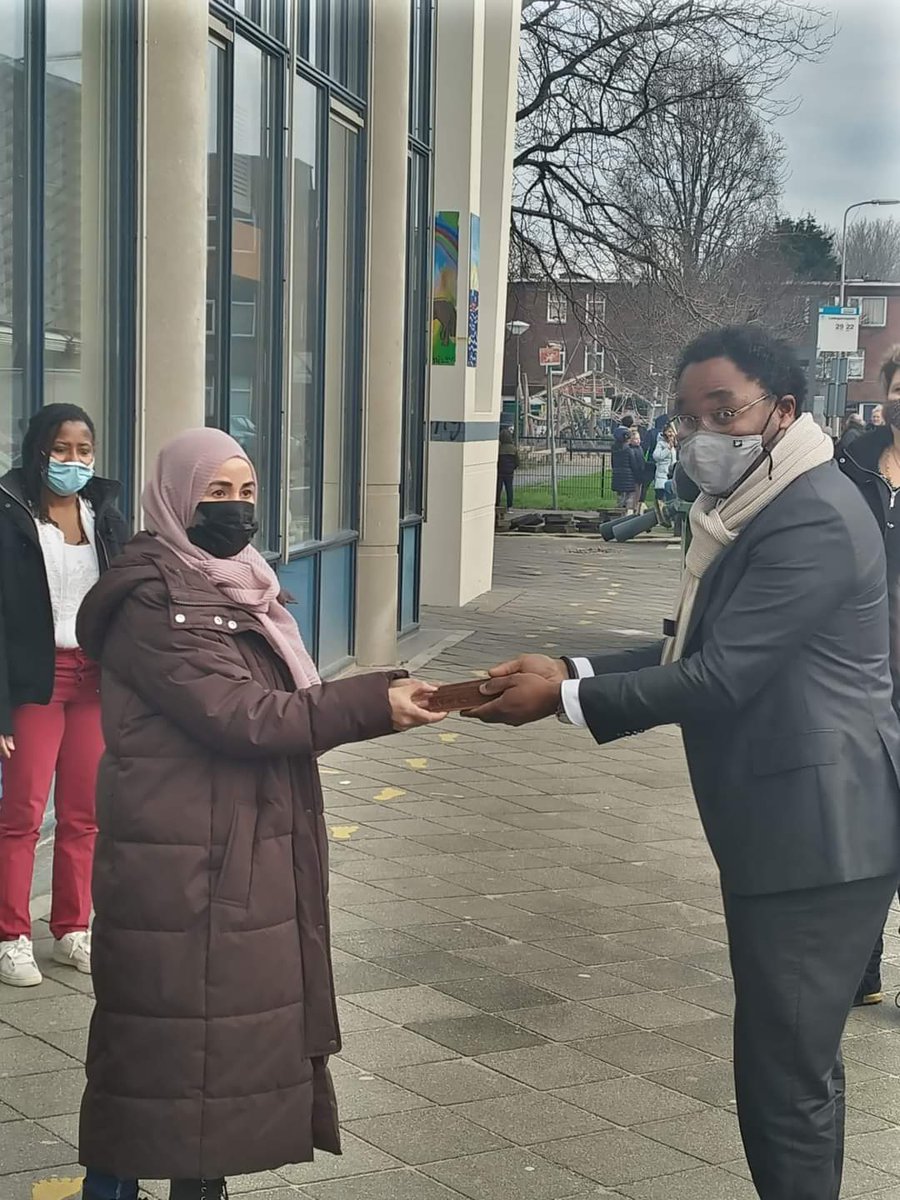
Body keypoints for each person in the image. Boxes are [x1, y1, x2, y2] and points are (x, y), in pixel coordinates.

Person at [463, 325, 900, 1200]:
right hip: (794, 833)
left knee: (782, 1079)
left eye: (722, 411)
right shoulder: (761, 504)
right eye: (686, 414)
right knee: (796, 1064)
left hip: (821, 838)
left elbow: (723, 675)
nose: (700, 433)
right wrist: (569, 669)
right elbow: (690, 652)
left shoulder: (809, 514)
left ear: (782, 412)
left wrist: (562, 697)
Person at [77, 428, 445, 1200]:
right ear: (177, 497)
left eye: (246, 492)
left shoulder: (239, 584)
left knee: (206, 1073)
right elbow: (244, 715)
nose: (236, 509)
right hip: (187, 869)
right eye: (217, 493)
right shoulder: (157, 599)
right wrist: (372, 700)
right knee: (165, 1063)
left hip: (228, 853)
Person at [0, 404, 126, 988]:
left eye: (84, 450)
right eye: (61, 449)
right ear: (38, 450)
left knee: (85, 813)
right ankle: (12, 936)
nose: (73, 461)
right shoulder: (8, 512)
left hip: (94, 680)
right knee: (23, 814)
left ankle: (73, 928)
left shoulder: (104, 514)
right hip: (35, 680)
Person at [838, 344, 900, 1006]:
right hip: (861, 672)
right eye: (898, 387)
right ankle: (862, 967)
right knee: (867, 824)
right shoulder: (850, 461)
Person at [652, 422, 678, 525]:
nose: (671, 433)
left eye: (672, 431)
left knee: (670, 496)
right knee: (661, 497)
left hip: (671, 474)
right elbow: (657, 456)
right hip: (662, 474)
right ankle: (660, 518)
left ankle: (669, 519)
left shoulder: (673, 444)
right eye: (669, 431)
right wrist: (668, 449)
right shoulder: (661, 444)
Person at [496, 426, 519, 510]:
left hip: (500, 471)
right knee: (509, 489)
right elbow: (517, 461)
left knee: (498, 488)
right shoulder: (513, 448)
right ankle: (510, 505)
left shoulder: (499, 448)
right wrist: (513, 468)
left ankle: (497, 504)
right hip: (509, 472)